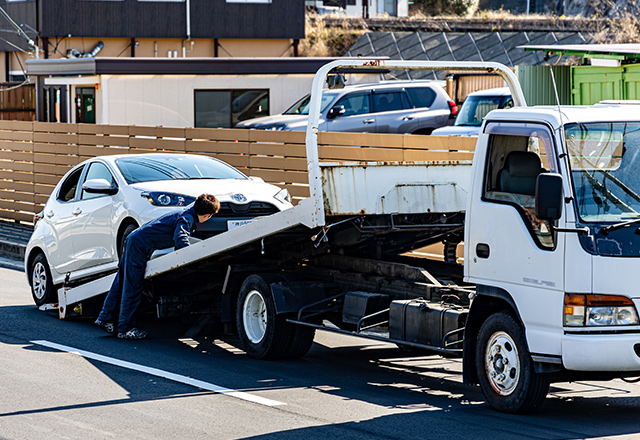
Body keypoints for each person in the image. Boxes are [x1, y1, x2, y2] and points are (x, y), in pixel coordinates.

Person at [95, 193, 220, 339]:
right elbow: (180, 238)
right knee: (133, 287)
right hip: (139, 246)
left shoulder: (186, 212)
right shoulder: (188, 217)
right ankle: (125, 329)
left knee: (121, 282)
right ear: (207, 215)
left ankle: (105, 318)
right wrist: (190, 260)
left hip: (134, 241)